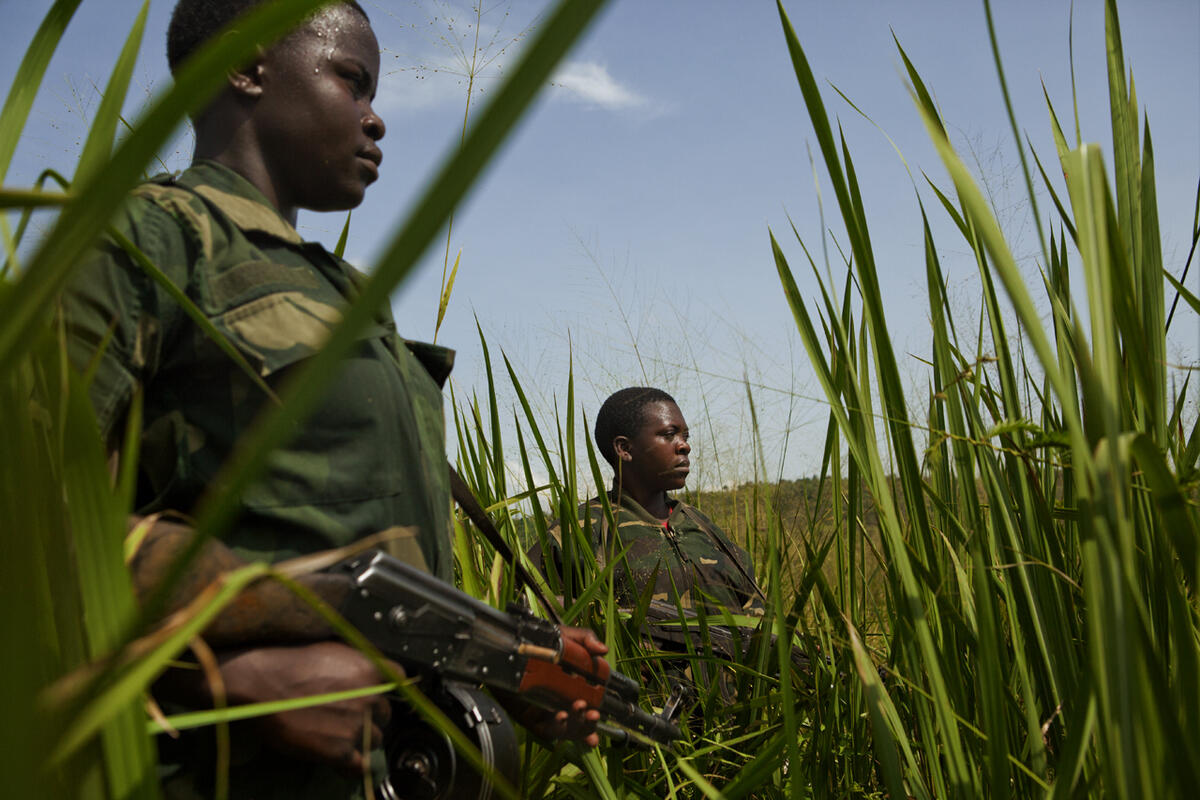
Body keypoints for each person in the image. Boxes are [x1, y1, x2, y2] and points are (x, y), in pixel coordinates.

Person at [62, 1, 604, 797]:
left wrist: (499, 665)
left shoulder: (352, 295)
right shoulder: (145, 239)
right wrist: (229, 686)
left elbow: (373, 563)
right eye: (352, 82)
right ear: (245, 67)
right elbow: (39, 533)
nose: (376, 119)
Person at [540, 387, 763, 616]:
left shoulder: (703, 527)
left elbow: (759, 609)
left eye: (685, 437)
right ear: (624, 448)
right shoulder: (579, 531)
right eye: (669, 435)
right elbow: (523, 607)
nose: (685, 446)